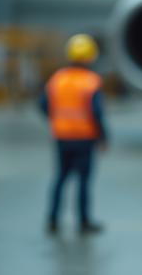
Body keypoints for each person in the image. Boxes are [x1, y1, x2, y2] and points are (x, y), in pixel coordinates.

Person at [40, 33, 108, 235]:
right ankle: (84, 222)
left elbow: (43, 104)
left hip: (62, 137)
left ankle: (52, 219)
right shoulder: (90, 81)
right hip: (84, 138)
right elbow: (96, 112)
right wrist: (103, 136)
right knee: (83, 181)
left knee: (60, 178)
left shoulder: (57, 79)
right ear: (90, 57)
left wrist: (57, 120)